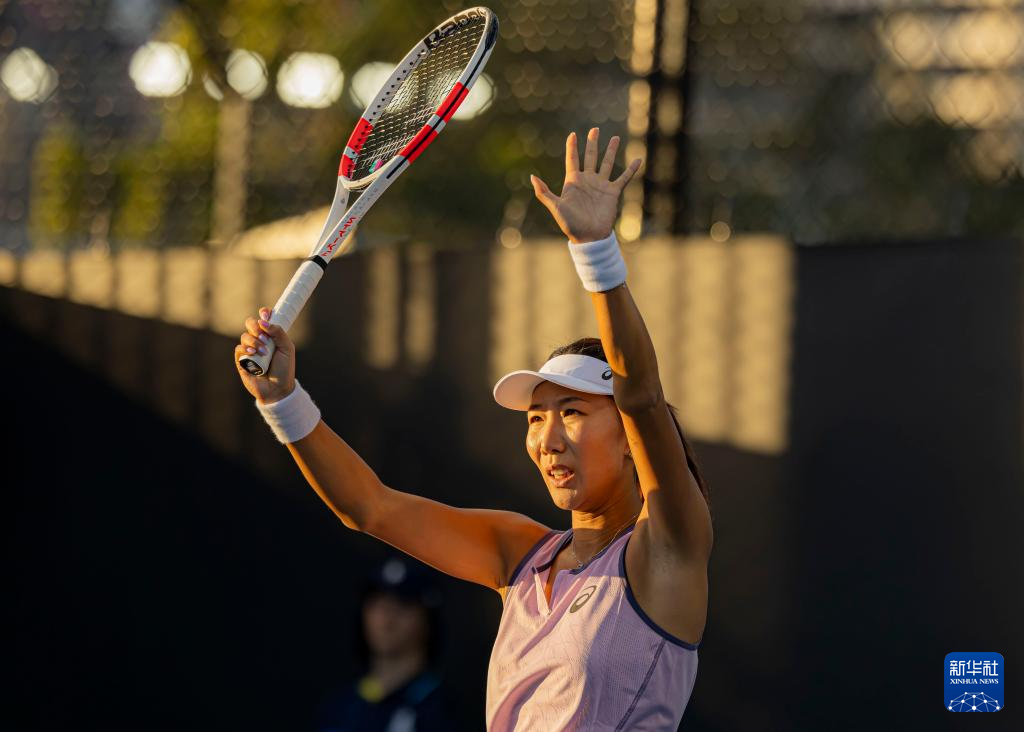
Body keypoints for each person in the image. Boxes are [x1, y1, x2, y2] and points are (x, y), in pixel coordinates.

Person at [235, 128, 713, 730]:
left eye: (572, 412)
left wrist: (595, 249)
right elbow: (369, 508)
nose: (548, 439)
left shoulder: (668, 548)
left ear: (628, 439)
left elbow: (641, 395)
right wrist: (281, 398)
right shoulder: (521, 554)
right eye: (536, 418)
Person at [315, 556, 457, 732]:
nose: (386, 619)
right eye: (377, 604)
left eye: (403, 605)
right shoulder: (339, 708)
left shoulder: (440, 712)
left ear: (427, 621)